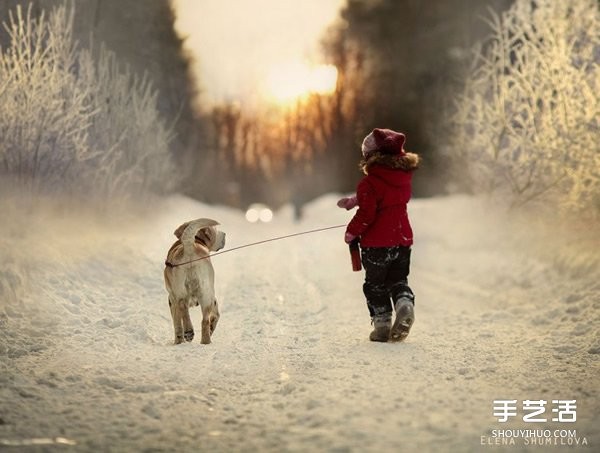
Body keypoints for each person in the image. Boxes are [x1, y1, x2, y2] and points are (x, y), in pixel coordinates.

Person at [338, 128, 419, 342]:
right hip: (402, 240)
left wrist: (351, 231)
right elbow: (386, 193)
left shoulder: (368, 183)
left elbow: (367, 213)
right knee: (398, 280)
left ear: (371, 157)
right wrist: (354, 200)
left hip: (377, 244)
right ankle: (404, 303)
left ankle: (382, 325)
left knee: (375, 285)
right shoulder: (403, 177)